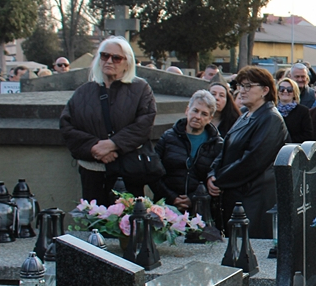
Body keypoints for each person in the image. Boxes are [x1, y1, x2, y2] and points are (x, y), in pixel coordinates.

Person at [60, 37, 157, 205]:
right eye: (105, 56)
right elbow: (67, 126)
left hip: (127, 170)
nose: (109, 61)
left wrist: (113, 144)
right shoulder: (83, 92)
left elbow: (144, 124)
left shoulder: (141, 89)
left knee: (128, 217)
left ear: (127, 63)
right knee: (94, 218)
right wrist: (94, 147)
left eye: (116, 58)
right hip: (93, 172)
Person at [207, 66, 288, 239]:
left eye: (248, 86)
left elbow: (252, 161)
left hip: (254, 197)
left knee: (247, 244)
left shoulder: (271, 118)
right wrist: (212, 173)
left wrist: (220, 180)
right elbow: (226, 147)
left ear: (265, 90)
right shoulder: (245, 114)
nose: (242, 90)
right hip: (235, 192)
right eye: (240, 86)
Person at [152, 90, 223, 210]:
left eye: (204, 114)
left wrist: (193, 198)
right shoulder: (168, 138)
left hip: (200, 208)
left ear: (210, 118)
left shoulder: (217, 144)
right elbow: (153, 173)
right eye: (195, 110)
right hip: (166, 206)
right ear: (187, 110)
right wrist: (172, 198)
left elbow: (218, 179)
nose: (198, 117)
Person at [276, 79, 314, 144]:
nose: (285, 91)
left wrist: (287, 141)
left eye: (289, 89)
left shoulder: (303, 111)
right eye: (281, 89)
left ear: (294, 93)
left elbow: (308, 135)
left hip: (295, 147)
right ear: (277, 92)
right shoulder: (272, 110)